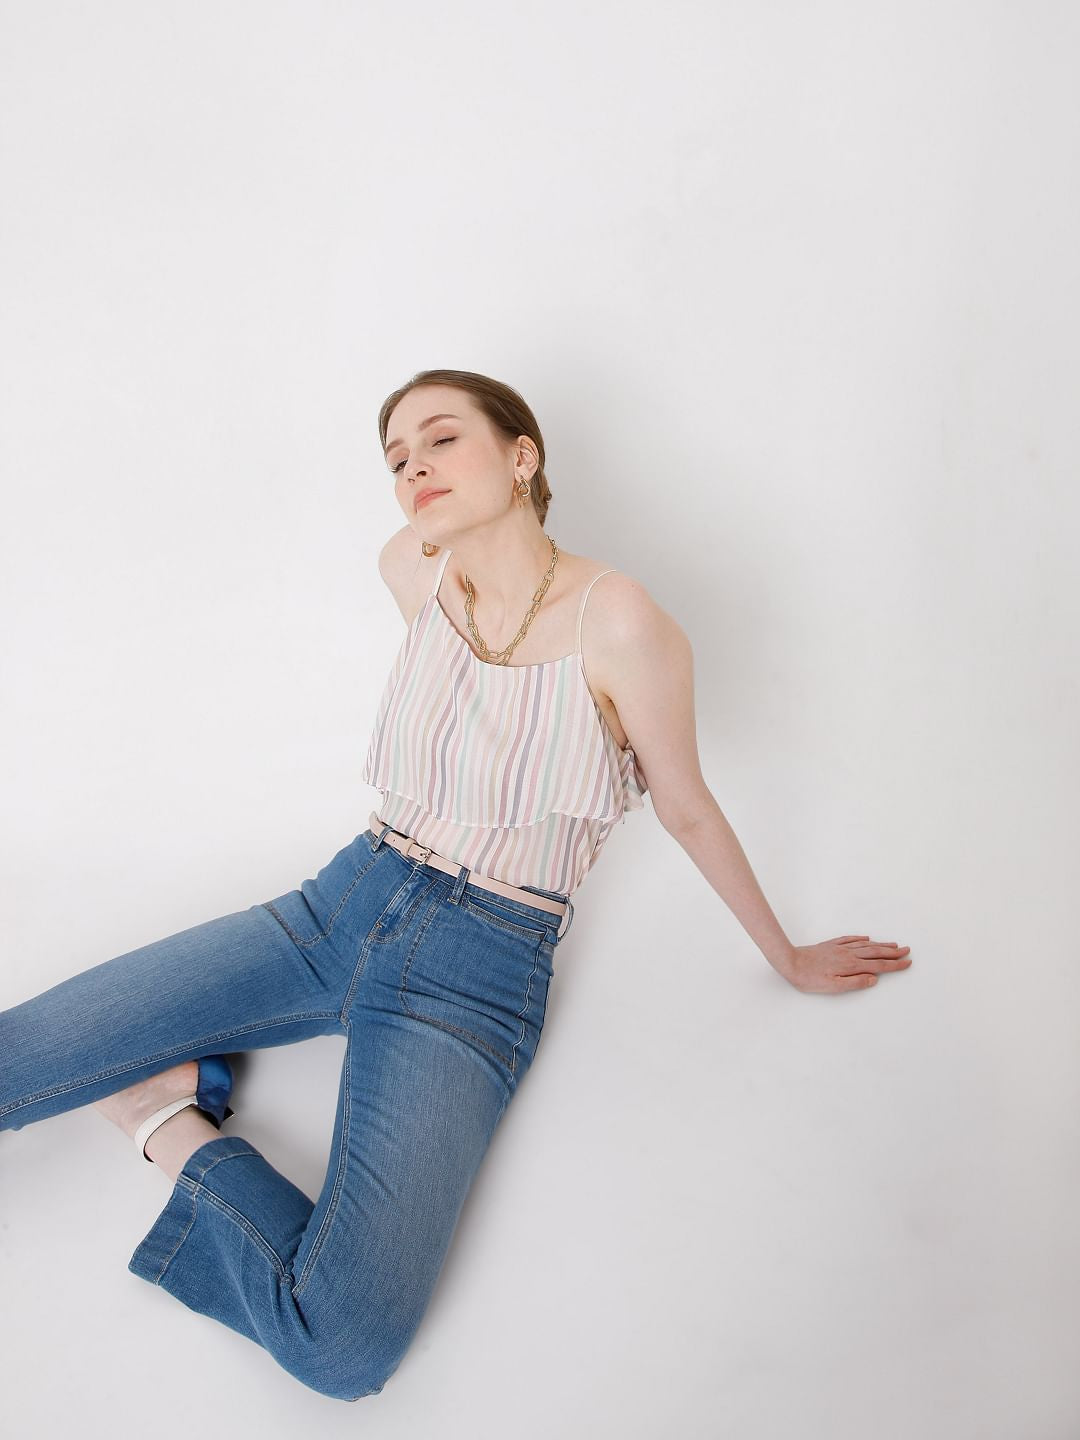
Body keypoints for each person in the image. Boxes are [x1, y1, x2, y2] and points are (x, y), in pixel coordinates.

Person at [0, 367, 912, 1401]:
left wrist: (785, 955)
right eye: (396, 459)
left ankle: (163, 1112)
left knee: (342, 1346)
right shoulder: (412, 569)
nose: (414, 469)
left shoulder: (622, 622)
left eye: (440, 440)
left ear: (522, 457)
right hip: (340, 904)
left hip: (477, 972)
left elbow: (686, 803)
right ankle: (162, 1080)